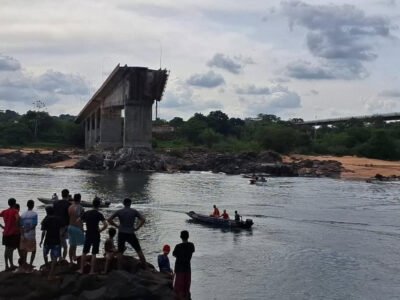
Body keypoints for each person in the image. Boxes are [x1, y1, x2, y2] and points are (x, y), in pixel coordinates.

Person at [107, 198, 147, 269]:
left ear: (123, 203)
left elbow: (109, 220)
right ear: (130, 203)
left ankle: (119, 268)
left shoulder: (119, 211)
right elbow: (143, 220)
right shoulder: (134, 211)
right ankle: (146, 268)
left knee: (120, 251)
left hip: (121, 232)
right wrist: (137, 228)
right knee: (138, 250)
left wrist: (117, 226)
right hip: (131, 232)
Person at [79, 197, 107, 274]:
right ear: (99, 205)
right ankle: (91, 271)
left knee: (84, 252)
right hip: (96, 234)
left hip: (88, 233)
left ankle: (81, 269)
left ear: (92, 204)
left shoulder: (87, 213)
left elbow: (78, 221)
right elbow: (105, 225)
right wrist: (100, 230)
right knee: (94, 253)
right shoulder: (99, 214)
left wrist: (82, 229)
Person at [40, 206, 63, 279]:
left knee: (45, 253)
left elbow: (43, 231)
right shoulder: (58, 219)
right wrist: (61, 235)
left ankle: (47, 266)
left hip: (47, 240)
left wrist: (41, 240)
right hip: (56, 240)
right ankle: (51, 274)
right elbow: (63, 228)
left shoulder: (45, 220)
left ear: (47, 212)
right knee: (54, 258)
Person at [173, 230, 195, 300]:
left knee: (179, 289)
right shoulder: (191, 245)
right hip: (187, 269)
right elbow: (192, 251)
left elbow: (174, 254)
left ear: (180, 237)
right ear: (188, 237)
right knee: (186, 288)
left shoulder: (178, 246)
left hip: (179, 269)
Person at [0, 198, 20, 270]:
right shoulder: (15, 211)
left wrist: (2, 226)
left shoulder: (4, 211)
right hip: (12, 233)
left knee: (6, 249)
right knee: (10, 250)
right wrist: (17, 227)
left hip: (5, 233)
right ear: (14, 204)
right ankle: (11, 265)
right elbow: (17, 219)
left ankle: (6, 265)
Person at [19, 200, 38, 271]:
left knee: (25, 250)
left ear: (27, 205)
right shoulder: (34, 214)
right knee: (34, 250)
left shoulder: (23, 214)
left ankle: (24, 264)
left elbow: (20, 226)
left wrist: (23, 235)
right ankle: (30, 264)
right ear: (33, 205)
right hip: (31, 235)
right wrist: (29, 229)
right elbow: (34, 225)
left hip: (24, 236)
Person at [53, 189, 71, 261]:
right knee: (65, 246)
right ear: (67, 195)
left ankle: (57, 258)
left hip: (56, 226)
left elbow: (54, 214)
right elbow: (69, 217)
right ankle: (62, 259)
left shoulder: (55, 203)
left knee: (58, 243)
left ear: (61, 194)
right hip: (65, 226)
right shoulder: (69, 204)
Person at [68, 193, 85, 264]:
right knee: (81, 243)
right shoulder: (80, 208)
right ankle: (74, 258)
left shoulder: (70, 207)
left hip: (70, 226)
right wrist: (82, 228)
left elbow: (70, 216)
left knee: (72, 244)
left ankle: (71, 260)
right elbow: (80, 219)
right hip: (76, 227)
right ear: (80, 199)